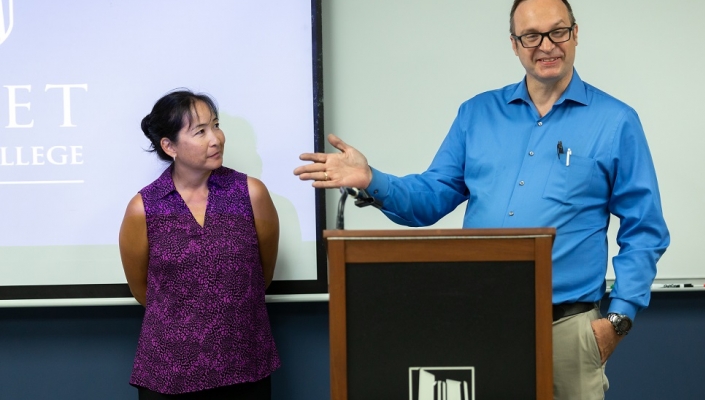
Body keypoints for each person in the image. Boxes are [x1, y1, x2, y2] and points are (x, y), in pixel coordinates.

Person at [293, 0, 670, 398]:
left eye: (558, 31)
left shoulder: (615, 121)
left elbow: (644, 229)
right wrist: (372, 179)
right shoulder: (476, 114)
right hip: (477, 320)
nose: (546, 45)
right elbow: (430, 198)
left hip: (567, 331)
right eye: (531, 36)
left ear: (575, 34)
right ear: (514, 44)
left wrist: (617, 319)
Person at [119, 89, 280, 399]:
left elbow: (262, 274)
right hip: (169, 372)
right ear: (169, 146)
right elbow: (143, 290)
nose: (216, 138)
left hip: (244, 365)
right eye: (200, 131)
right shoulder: (144, 208)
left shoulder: (252, 194)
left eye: (216, 125)